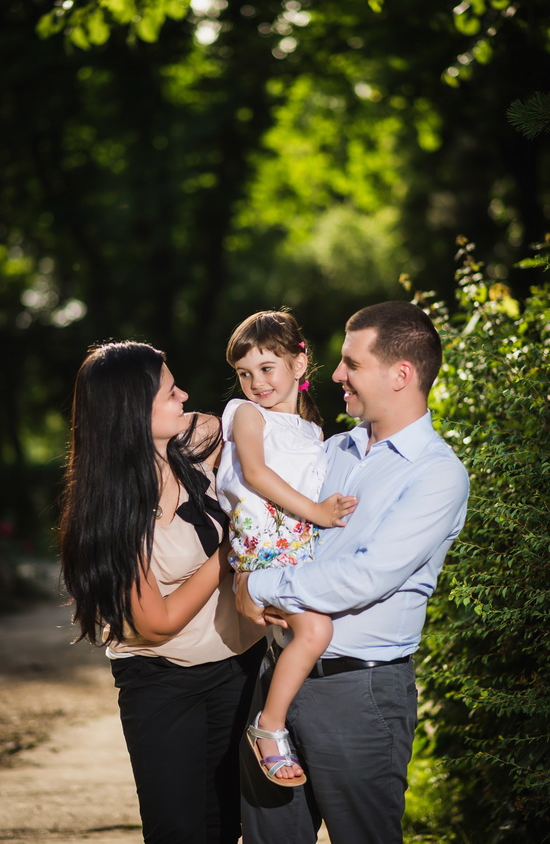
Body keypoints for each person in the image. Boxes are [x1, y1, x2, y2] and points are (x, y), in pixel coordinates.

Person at [235, 301, 470, 844]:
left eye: (351, 363)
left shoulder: (438, 475)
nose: (336, 374)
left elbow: (363, 579)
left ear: (401, 374)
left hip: (360, 695)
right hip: (277, 677)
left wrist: (257, 585)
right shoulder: (328, 449)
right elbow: (266, 522)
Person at [59, 340, 266, 844]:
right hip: (164, 682)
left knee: (234, 820)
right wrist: (230, 553)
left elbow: (228, 422)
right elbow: (157, 621)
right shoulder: (109, 510)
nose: (185, 396)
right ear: (133, 410)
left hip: (239, 666)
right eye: (171, 392)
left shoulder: (188, 454)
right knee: (180, 828)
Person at [217, 311, 356, 788]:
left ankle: (288, 730)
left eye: (266, 368)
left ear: (299, 363)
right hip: (266, 553)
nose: (255, 382)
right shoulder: (245, 414)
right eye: (244, 373)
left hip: (302, 558)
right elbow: (255, 473)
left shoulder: (314, 433)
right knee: (314, 631)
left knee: (302, 644)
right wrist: (319, 512)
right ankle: (267, 728)